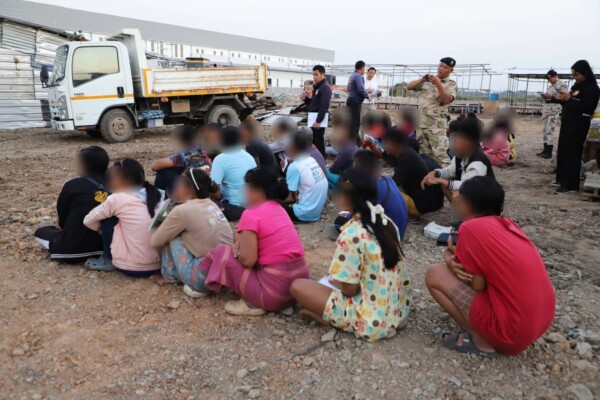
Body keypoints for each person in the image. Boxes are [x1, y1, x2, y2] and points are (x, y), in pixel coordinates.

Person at [425, 176, 555, 356]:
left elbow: (478, 285)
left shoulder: (470, 228)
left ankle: (482, 340)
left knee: (434, 274)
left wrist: (448, 257)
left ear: (467, 204)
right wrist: (453, 256)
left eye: (459, 196)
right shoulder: (507, 224)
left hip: (511, 333)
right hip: (538, 323)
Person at [290, 168, 412, 342]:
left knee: (297, 286)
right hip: (394, 310)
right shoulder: (386, 222)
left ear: (347, 197)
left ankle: (332, 320)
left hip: (369, 320)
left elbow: (349, 291)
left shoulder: (351, 234)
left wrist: (339, 282)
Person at [199, 167, 310, 315]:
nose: (243, 191)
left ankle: (249, 303)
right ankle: (281, 304)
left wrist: (238, 249)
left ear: (256, 191)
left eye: (245, 187)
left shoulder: (251, 214)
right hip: (296, 292)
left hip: (272, 295)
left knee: (222, 252)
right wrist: (240, 243)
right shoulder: (280, 209)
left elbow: (248, 261)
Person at [151, 168, 233, 297]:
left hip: (203, 279)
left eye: (179, 183)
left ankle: (170, 276)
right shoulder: (212, 205)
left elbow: (155, 241)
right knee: (183, 230)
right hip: (227, 274)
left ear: (189, 189)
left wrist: (162, 224)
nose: (176, 186)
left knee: (173, 235)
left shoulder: (182, 210)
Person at [83, 158, 165, 276]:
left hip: (132, 267)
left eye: (111, 178)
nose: (108, 182)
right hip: (161, 264)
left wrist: (100, 229)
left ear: (124, 181)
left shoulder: (117, 198)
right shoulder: (160, 194)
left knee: (107, 218)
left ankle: (108, 260)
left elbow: (88, 220)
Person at [34, 146, 109, 263]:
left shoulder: (72, 185)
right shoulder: (116, 184)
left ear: (83, 165)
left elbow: (61, 222)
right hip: (105, 248)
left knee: (40, 232)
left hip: (70, 251)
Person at [328, 150, 409, 240]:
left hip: (388, 236)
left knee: (340, 220)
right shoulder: (387, 179)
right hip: (396, 230)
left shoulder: (372, 188)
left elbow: (361, 213)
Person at [551, 60, 600, 194]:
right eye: (573, 75)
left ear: (585, 73)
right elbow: (570, 103)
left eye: (577, 75)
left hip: (579, 124)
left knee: (572, 152)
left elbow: (587, 107)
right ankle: (562, 179)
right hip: (569, 122)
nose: (575, 78)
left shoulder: (592, 88)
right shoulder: (577, 86)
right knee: (564, 150)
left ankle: (571, 184)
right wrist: (562, 99)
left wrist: (569, 99)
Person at [421, 118, 495, 200]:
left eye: (458, 139)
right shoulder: (462, 156)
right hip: (474, 194)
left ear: (469, 142)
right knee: (446, 185)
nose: (454, 143)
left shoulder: (477, 162)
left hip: (485, 201)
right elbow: (449, 171)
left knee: (457, 194)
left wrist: (442, 181)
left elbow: (469, 186)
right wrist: (435, 173)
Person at [382, 128, 444, 218]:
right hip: (423, 200)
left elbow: (392, 184)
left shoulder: (407, 158)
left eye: (386, 143)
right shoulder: (407, 153)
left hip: (419, 207)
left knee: (384, 191)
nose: (384, 146)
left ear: (395, 144)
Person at [407, 57, 457, 165]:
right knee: (424, 155)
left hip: (436, 126)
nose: (441, 69)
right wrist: (422, 80)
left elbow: (447, 99)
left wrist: (438, 84)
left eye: (445, 67)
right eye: (440, 66)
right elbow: (409, 87)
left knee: (441, 156)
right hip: (421, 124)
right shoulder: (428, 81)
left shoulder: (451, 84)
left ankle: (448, 175)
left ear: (451, 70)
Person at [210, 126, 257, 220]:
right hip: (253, 205)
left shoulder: (220, 159)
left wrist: (217, 197)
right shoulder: (248, 156)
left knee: (204, 203)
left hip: (234, 208)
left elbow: (214, 190)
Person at [283, 130, 328, 222]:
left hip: (302, 214)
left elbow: (290, 198)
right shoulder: (311, 159)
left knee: (272, 203)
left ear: (293, 146)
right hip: (316, 212)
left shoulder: (294, 167)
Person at [151, 125, 211, 196]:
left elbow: (155, 166)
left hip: (197, 189)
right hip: (207, 185)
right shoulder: (201, 150)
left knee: (163, 172)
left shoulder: (188, 154)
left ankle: (160, 199)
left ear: (183, 141)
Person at [300, 65, 332, 157]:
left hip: (317, 119)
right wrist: (306, 99)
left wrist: (318, 121)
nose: (314, 77)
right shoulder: (317, 86)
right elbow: (313, 104)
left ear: (323, 74)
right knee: (313, 140)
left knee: (318, 141)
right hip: (313, 118)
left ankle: (322, 159)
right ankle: (315, 158)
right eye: (313, 74)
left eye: (316, 74)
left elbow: (324, 106)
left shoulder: (325, 87)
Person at [538, 70, 569, 159]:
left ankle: (549, 152)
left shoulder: (562, 85)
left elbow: (565, 97)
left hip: (554, 110)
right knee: (544, 130)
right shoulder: (551, 86)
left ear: (555, 76)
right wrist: (545, 96)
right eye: (548, 79)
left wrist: (551, 97)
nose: (549, 81)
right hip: (547, 109)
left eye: (550, 78)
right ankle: (545, 150)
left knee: (549, 130)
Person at [327, 120, 359, 189]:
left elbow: (333, 169)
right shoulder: (352, 144)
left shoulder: (346, 149)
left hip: (348, 181)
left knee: (323, 172)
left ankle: (339, 191)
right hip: (352, 177)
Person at [346, 61, 370, 136]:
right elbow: (360, 89)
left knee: (351, 121)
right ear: (362, 68)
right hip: (355, 102)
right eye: (364, 68)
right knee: (355, 122)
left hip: (350, 100)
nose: (365, 70)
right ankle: (354, 139)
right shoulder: (358, 76)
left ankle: (350, 138)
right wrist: (367, 96)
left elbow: (349, 88)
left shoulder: (352, 75)